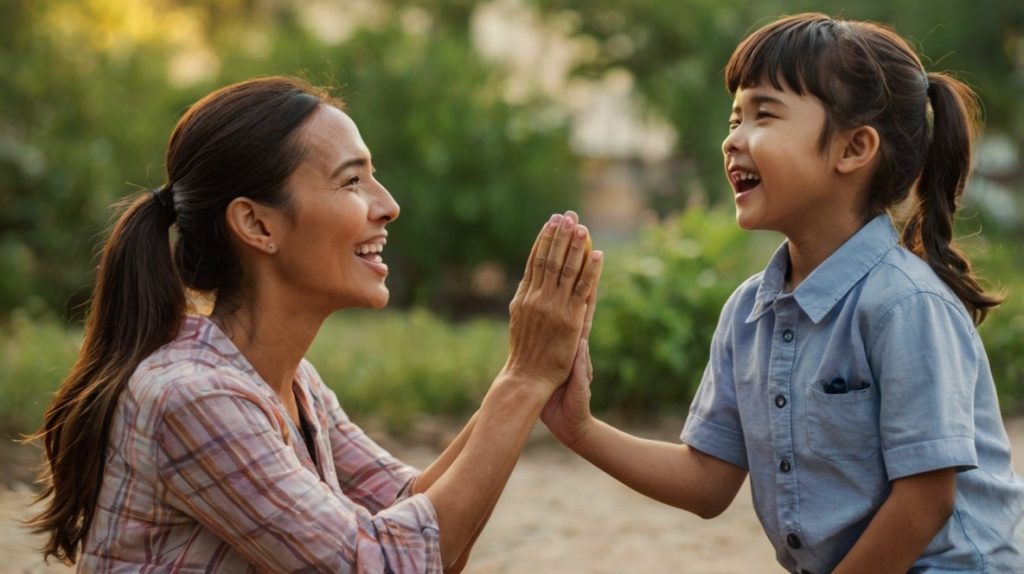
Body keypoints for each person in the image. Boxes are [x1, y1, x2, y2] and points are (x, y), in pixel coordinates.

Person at [27, 76, 603, 572]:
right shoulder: (191, 396)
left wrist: (523, 375)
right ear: (257, 224)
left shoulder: (292, 382)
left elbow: (411, 508)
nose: (388, 204)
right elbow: (389, 564)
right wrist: (523, 381)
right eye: (352, 181)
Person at [541, 13, 1024, 573]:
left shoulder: (906, 305)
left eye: (763, 115)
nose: (732, 139)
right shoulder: (750, 311)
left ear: (853, 149)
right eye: (734, 117)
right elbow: (707, 482)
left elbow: (924, 502)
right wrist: (578, 428)